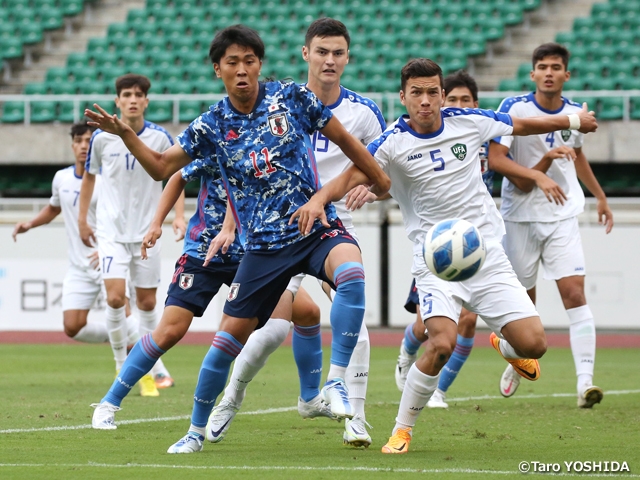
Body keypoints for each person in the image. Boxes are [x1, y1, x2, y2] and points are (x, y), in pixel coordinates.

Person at [85, 25, 390, 453]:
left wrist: (375, 179)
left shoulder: (293, 98)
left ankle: (334, 382)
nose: (243, 70)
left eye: (250, 61)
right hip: (261, 247)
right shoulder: (211, 125)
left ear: (260, 64)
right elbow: (161, 168)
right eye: (233, 63)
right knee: (225, 342)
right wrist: (127, 135)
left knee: (352, 274)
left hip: (314, 226)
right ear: (218, 70)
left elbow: (347, 142)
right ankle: (192, 430)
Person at [293, 58, 598, 454]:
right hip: (435, 263)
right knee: (441, 343)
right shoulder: (391, 142)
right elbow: (350, 176)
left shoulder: (467, 122)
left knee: (535, 344)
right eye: (416, 93)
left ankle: (506, 345)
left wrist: (572, 122)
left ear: (441, 94)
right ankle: (402, 430)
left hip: (486, 254)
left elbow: (521, 125)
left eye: (432, 92)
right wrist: (319, 199)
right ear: (403, 97)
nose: (425, 101)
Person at [206, 18, 386, 448]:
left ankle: (353, 418)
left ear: (347, 58)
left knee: (355, 327)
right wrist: (232, 223)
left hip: (334, 221)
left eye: (337, 53)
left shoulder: (364, 113)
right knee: (270, 330)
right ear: (306, 54)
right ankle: (230, 397)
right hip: (277, 224)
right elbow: (241, 170)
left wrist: (368, 193)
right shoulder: (279, 101)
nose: (329, 60)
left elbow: (382, 176)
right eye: (321, 51)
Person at [489, 43, 613, 408]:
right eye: (541, 66)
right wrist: (539, 171)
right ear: (532, 74)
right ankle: (517, 356)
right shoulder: (513, 108)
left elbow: (578, 158)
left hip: (561, 217)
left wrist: (600, 196)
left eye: (555, 67)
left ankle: (585, 384)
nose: (548, 72)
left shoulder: (575, 113)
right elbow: (497, 160)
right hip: (519, 218)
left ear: (565, 75)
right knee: (523, 310)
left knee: (574, 295)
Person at [79, 74, 175, 396]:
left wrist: (178, 216)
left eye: (138, 94)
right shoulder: (101, 139)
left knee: (147, 304)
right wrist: (83, 219)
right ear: (117, 101)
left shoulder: (161, 138)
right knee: (116, 298)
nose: (132, 99)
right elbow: (89, 178)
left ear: (146, 101)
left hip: (147, 232)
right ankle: (121, 364)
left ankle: (147, 369)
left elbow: (176, 178)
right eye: (126, 94)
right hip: (111, 232)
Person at [12, 122, 109, 343]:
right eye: (78, 141)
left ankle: (155, 369)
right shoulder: (61, 178)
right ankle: (123, 338)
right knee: (73, 326)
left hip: (108, 260)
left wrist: (108, 248)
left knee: (126, 314)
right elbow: (54, 208)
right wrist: (30, 224)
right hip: (79, 266)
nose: (84, 146)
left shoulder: (109, 179)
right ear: (72, 145)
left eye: (89, 140)